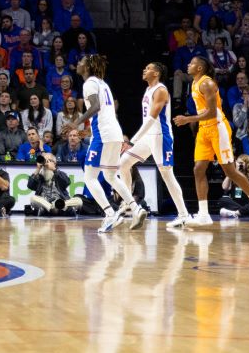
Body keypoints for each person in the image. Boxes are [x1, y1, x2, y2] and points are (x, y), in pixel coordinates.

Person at [174, 56, 249, 228]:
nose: (188, 64)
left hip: (218, 128)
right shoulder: (194, 83)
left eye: (192, 63)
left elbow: (212, 112)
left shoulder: (207, 83)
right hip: (204, 129)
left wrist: (188, 120)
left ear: (200, 68)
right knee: (198, 169)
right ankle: (203, 214)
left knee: (230, 171)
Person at [117, 63, 191, 229]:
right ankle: (129, 204)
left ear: (156, 73)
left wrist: (131, 141)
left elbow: (151, 119)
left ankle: (184, 214)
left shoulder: (161, 90)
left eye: (148, 68)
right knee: (123, 164)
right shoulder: (148, 89)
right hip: (148, 137)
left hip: (160, 137)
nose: (144, 69)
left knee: (167, 175)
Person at [78, 54, 139, 232]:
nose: (78, 64)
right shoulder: (103, 84)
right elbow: (104, 113)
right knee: (111, 176)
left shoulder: (89, 82)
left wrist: (76, 122)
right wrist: (87, 130)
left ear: (87, 67)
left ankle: (110, 214)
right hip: (115, 133)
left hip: (103, 135)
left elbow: (96, 107)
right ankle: (135, 208)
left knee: (90, 177)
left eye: (81, 62)